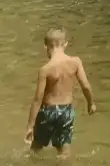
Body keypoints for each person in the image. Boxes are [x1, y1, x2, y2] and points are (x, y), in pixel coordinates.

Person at [25, 29, 95, 157]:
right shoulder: (75, 62)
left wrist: (30, 126)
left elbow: (37, 99)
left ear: (45, 46)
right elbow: (86, 86)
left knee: (36, 147)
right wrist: (91, 103)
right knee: (64, 147)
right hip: (66, 111)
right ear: (66, 44)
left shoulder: (45, 69)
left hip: (48, 111)